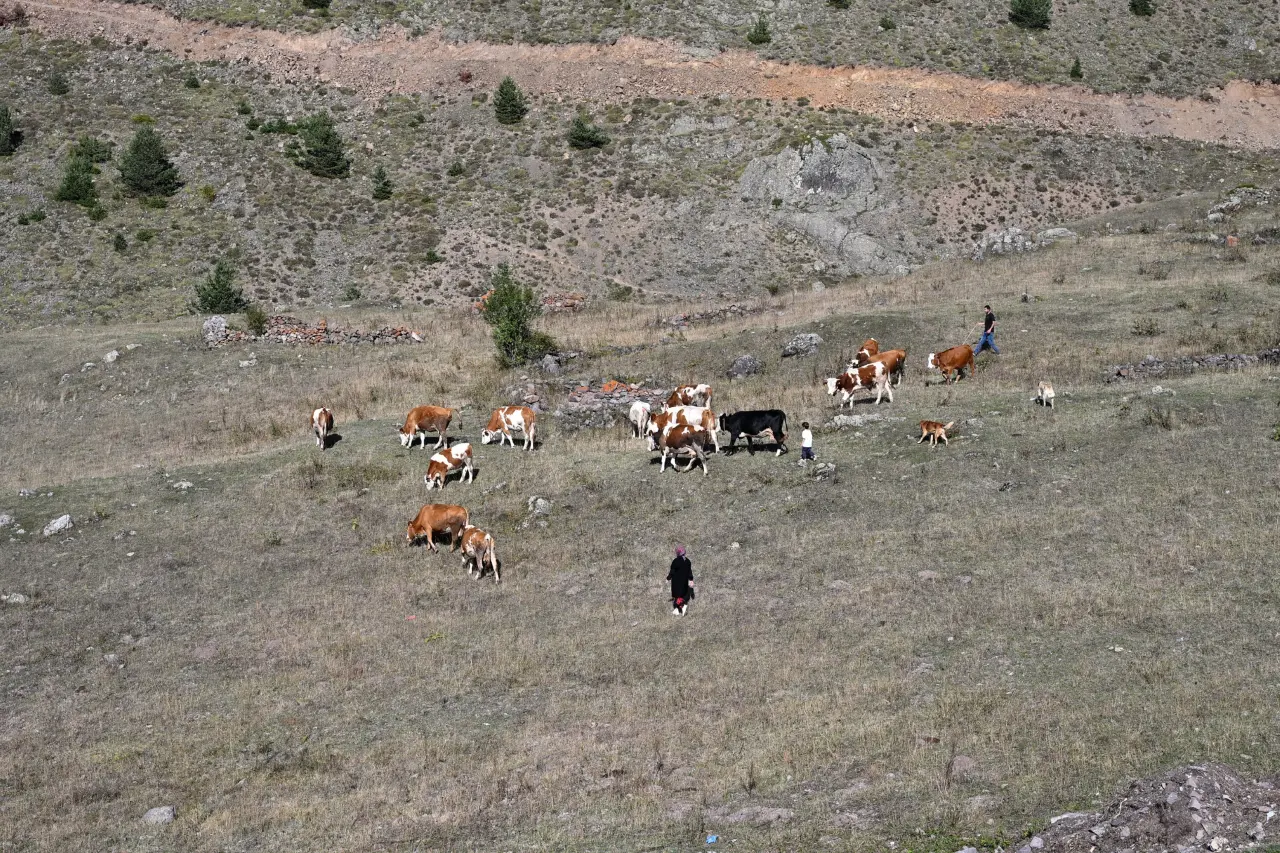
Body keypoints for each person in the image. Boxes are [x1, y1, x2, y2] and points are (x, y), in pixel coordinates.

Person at [667, 546, 694, 615]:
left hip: (676, 581)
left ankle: (680, 608)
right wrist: (691, 579)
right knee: (683, 593)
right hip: (684, 581)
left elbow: (672, 571)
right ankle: (682, 606)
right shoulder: (687, 561)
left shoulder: (675, 561)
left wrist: (668, 577)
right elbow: (689, 571)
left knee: (677, 595)